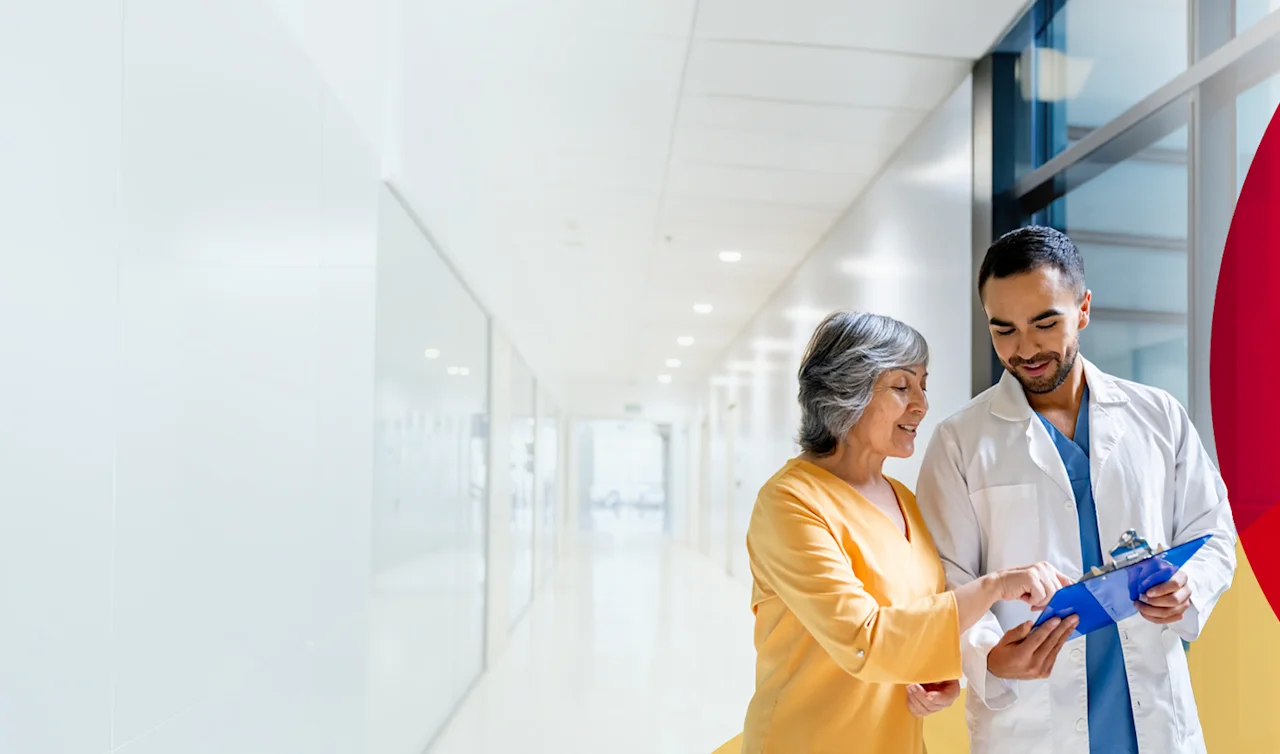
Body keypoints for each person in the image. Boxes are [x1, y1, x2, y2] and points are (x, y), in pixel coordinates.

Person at [915, 226, 1238, 754]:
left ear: (1083, 308)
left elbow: (1213, 531)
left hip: (1152, 716)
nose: (1025, 349)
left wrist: (1189, 587)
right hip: (1030, 720)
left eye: (1045, 323)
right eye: (1004, 330)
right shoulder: (960, 441)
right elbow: (942, 580)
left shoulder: (1158, 416)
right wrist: (989, 657)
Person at [717, 310, 1076, 754]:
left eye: (924, 385)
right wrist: (995, 586)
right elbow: (865, 639)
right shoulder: (790, 503)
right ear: (844, 391)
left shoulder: (903, 498)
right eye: (902, 386)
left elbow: (918, 618)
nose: (922, 404)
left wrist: (937, 674)